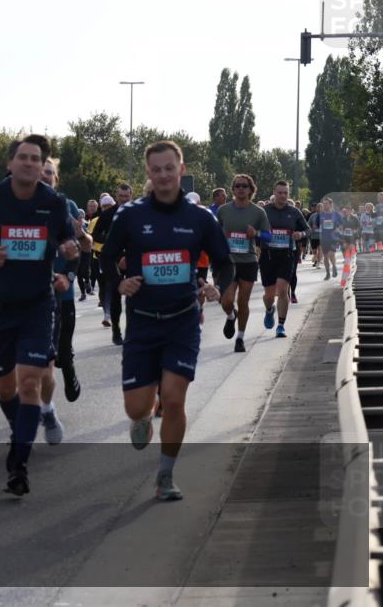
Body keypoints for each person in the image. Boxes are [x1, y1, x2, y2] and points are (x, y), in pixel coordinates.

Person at [102, 140, 232, 501]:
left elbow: (224, 261)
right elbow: (107, 258)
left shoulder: (200, 218)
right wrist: (120, 281)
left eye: (169, 168)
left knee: (174, 400)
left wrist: (215, 286)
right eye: (155, 169)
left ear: (181, 168)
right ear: (148, 173)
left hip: (182, 321)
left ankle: (165, 475)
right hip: (142, 322)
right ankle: (141, 419)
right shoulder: (130, 215)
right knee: (137, 406)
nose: (162, 175)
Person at [0, 134, 78, 496]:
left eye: (35, 158)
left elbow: (68, 244)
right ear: (10, 164)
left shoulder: (53, 202)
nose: (29, 163)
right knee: (6, 387)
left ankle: (19, 463)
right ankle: (22, 429)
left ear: (42, 166)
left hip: (38, 305)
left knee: (30, 383)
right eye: (23, 157)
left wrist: (70, 251)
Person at [39, 158, 82, 444]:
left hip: (61, 291)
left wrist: (67, 273)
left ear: (57, 178)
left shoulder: (65, 207)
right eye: (41, 173)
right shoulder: (17, 205)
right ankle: (27, 419)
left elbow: (77, 247)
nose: (45, 178)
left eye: (50, 173)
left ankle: (68, 370)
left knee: (61, 354)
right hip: (30, 296)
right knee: (33, 360)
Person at [217, 174, 271, 353]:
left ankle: (240, 338)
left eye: (244, 186)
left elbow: (268, 236)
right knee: (226, 300)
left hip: (248, 261)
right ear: (233, 189)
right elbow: (214, 233)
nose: (241, 189)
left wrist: (255, 234)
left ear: (250, 189)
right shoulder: (223, 210)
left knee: (243, 302)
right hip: (228, 262)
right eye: (237, 186)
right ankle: (231, 316)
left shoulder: (258, 212)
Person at [260, 181, 308, 339]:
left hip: (287, 256)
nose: (282, 196)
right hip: (268, 256)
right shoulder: (264, 211)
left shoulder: (294, 212)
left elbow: (307, 229)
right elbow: (254, 228)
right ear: (274, 192)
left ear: (288, 194)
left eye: (285, 193)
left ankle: (280, 325)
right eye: (280, 192)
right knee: (269, 294)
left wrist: (301, 235)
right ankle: (269, 310)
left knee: (282, 290)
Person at [93, 184, 133, 345]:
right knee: (116, 294)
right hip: (112, 259)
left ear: (131, 196)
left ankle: (134, 329)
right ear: (116, 196)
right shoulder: (108, 214)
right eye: (121, 196)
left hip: (132, 258)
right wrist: (110, 240)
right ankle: (116, 331)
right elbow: (95, 235)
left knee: (135, 294)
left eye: (126, 197)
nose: (123, 200)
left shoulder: (138, 213)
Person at [317, 197, 343, 280]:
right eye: (324, 204)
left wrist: (338, 229)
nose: (324, 205)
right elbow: (316, 225)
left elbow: (342, 224)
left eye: (326, 204)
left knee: (331, 254)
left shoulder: (336, 214)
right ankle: (327, 273)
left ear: (331, 204)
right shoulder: (320, 215)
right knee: (325, 257)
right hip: (324, 238)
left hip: (334, 237)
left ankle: (334, 267)